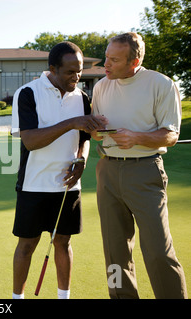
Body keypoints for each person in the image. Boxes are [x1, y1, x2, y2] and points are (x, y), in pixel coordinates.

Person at [91, 32, 187, 299]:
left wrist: (136, 137)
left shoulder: (161, 84)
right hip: (108, 172)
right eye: (106, 57)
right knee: (114, 252)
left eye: (114, 60)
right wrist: (97, 132)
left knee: (158, 251)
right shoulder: (101, 87)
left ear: (134, 61)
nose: (106, 65)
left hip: (145, 171)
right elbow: (96, 131)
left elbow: (171, 134)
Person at [11, 42, 107, 299]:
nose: (77, 77)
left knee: (63, 243)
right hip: (34, 184)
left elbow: (85, 136)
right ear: (52, 68)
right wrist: (72, 122)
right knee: (27, 245)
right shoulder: (28, 93)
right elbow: (30, 141)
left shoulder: (83, 97)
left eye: (79, 71)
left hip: (68, 186)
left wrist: (82, 160)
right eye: (70, 72)